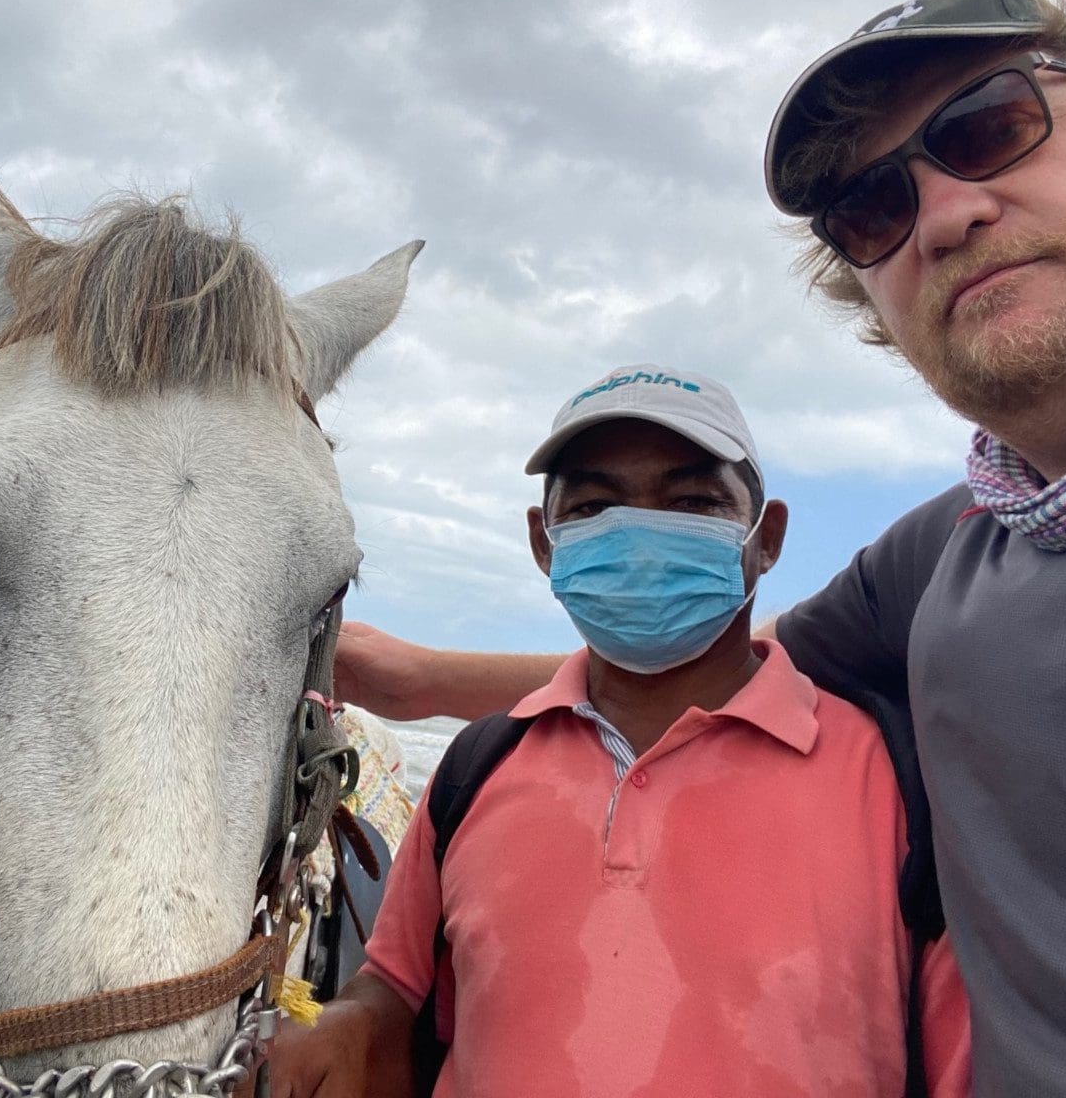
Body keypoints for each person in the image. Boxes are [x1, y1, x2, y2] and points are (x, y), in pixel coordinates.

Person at [334, 0, 1066, 1097]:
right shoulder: (948, 561)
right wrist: (409, 679)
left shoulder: (887, 751)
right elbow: (710, 696)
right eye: (874, 207)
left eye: (997, 126)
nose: (949, 215)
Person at [275, 365, 971, 1097]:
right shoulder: (479, 767)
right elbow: (396, 983)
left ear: (767, 540)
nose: (641, 535)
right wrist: (349, 1025)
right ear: (544, 544)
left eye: (694, 501)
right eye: (597, 505)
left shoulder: (900, 785)